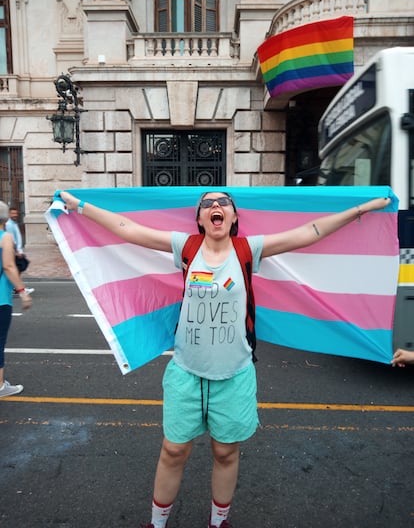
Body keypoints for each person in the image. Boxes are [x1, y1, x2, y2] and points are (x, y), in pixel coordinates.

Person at [59, 189, 390, 528]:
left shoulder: (248, 250)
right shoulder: (186, 247)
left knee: (225, 452)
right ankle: (156, 524)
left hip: (234, 374)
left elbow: (309, 232)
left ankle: (219, 523)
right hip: (186, 373)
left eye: (223, 203)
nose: (215, 206)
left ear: (233, 217)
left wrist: (361, 209)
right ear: (200, 219)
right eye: (207, 204)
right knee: (173, 451)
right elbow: (127, 227)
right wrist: (81, 207)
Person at [0, 201, 33, 398]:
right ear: (5, 218)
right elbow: (9, 267)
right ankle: (1, 386)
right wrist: (23, 292)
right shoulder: (5, 237)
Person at [5, 207, 34, 294]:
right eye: (13, 213)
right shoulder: (9, 225)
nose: (15, 215)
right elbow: (11, 239)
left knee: (19, 267)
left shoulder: (13, 223)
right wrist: (17, 252)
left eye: (16, 213)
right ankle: (17, 287)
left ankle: (15, 287)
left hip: (15, 251)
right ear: (9, 214)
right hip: (13, 251)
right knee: (18, 267)